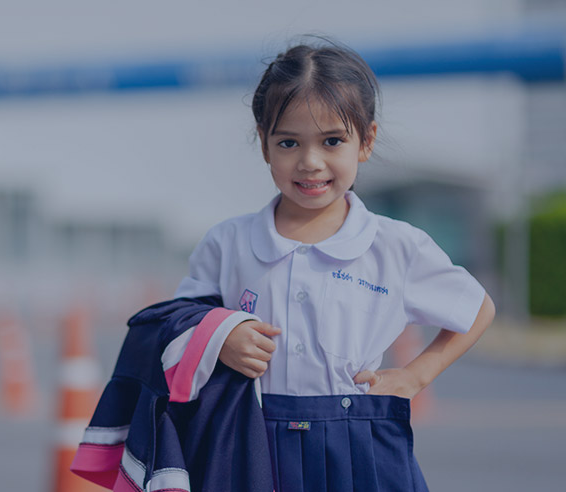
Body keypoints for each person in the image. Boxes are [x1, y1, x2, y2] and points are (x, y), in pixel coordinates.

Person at [72, 38, 495, 492]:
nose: (310, 162)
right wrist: (221, 337)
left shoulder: (396, 245)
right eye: (289, 141)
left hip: (363, 441)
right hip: (249, 441)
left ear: (366, 141)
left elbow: (477, 309)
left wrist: (415, 374)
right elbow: (177, 325)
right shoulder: (228, 242)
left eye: (333, 141)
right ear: (264, 145)